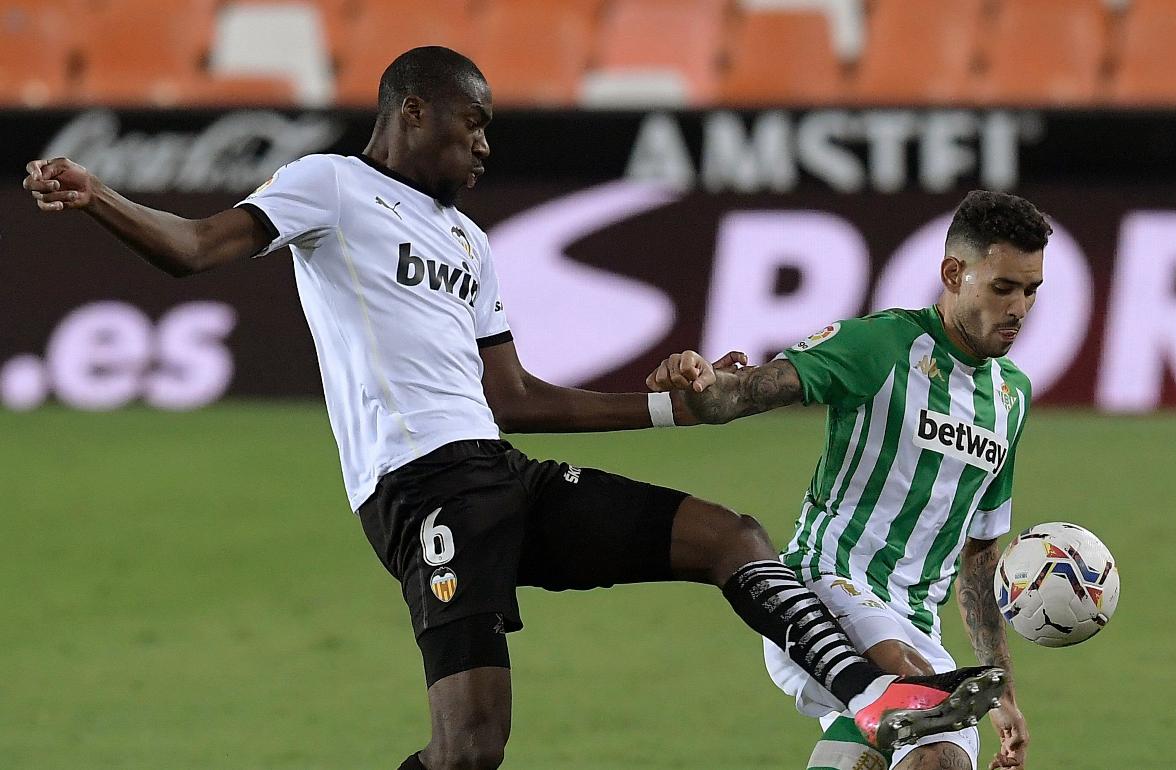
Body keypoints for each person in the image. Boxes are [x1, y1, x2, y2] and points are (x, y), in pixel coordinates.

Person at [23, 46, 1006, 770]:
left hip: (498, 471)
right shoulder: (330, 187)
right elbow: (196, 246)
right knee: (471, 748)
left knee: (732, 534)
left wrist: (676, 411)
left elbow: (515, 396)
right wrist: (100, 195)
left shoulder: (471, 246)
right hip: (422, 492)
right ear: (414, 111)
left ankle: (878, 694)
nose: (486, 144)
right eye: (473, 124)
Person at [646, 190, 1047, 770]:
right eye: (1003, 287)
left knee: (935, 754)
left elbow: (980, 560)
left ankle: (898, 708)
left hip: (915, 624)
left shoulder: (1011, 398)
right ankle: (904, 698)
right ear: (954, 274)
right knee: (927, 719)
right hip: (823, 592)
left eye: (1031, 290)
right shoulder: (879, 346)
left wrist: (1005, 694)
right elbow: (751, 391)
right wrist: (704, 386)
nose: (1018, 308)